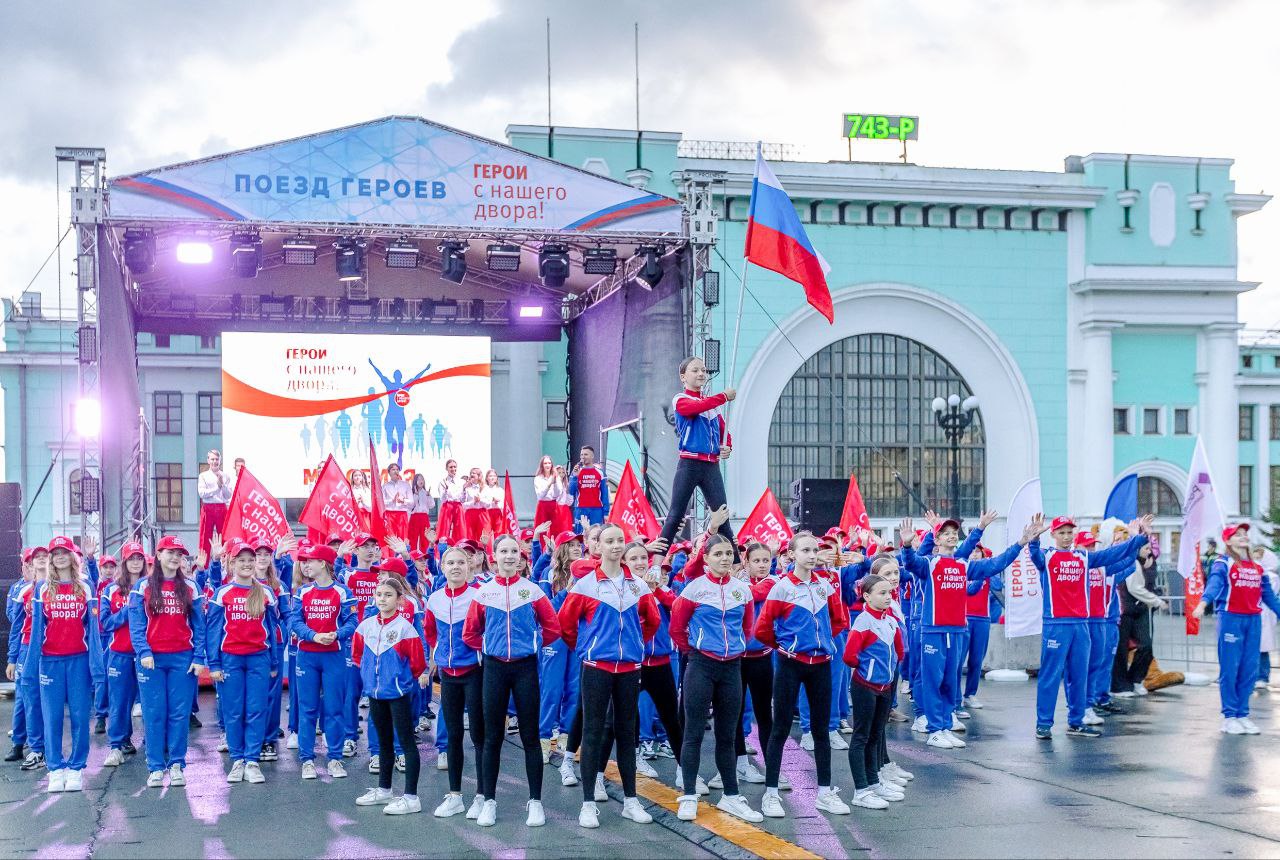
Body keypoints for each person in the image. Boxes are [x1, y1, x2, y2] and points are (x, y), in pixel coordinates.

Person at [558, 525, 661, 828]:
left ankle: (631, 800)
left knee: (627, 734)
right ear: (598, 547)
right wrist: (588, 647)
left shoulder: (638, 586)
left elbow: (652, 621)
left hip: (629, 670)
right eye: (609, 541)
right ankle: (588, 803)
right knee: (591, 733)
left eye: (620, 541)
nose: (616, 546)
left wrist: (633, 645)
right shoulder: (585, 586)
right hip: (596, 669)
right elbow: (566, 624)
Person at [462, 534, 562, 828]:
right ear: (494, 556)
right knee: (493, 737)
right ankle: (489, 802)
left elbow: (552, 627)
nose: (508, 556)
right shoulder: (483, 593)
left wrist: (532, 641)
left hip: (525, 669)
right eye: (503, 551)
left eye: (513, 552)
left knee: (531, 737)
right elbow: (470, 633)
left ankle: (535, 803)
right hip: (493, 669)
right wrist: (490, 645)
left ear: (520, 558)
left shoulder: (531, 591)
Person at [1027, 514, 1152, 739]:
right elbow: (1034, 556)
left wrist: (1139, 537)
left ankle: (1076, 721)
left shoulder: (1084, 557)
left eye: (1069, 532)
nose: (1066, 537)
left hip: (1081, 626)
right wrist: (1034, 540)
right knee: (1051, 675)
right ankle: (1043, 724)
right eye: (1061, 533)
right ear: (1053, 534)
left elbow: (1113, 554)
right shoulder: (1047, 557)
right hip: (1057, 625)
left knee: (1079, 674)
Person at [669, 533, 763, 824]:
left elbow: (747, 628)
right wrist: (696, 652)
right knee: (693, 733)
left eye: (728, 554)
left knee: (727, 733)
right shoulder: (693, 589)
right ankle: (688, 795)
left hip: (731, 668)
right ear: (706, 558)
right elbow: (677, 629)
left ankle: (731, 796)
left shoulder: (742, 590)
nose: (724, 559)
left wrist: (734, 649)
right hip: (700, 666)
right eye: (717, 554)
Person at [754, 532, 850, 818]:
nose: (812, 555)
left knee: (821, 730)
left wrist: (818, 644)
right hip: (790, 665)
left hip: (820, 664)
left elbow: (839, 621)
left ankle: (824, 792)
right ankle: (771, 794)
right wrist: (789, 647)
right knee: (780, 728)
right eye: (805, 550)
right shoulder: (781, 588)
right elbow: (762, 629)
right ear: (791, 555)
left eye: (815, 550)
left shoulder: (825, 586)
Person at [21, 537, 104, 793]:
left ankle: (76, 768)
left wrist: (97, 668)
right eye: (54, 553)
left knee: (80, 716)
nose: (58, 557)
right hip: (50, 662)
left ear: (71, 557)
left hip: (78, 660)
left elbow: (94, 632)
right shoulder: (43, 589)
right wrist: (29, 668)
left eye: (63, 552)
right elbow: (36, 632)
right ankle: (55, 769)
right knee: (52, 717)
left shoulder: (86, 587)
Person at [129, 535, 207, 788]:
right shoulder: (142, 587)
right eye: (170, 552)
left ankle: (176, 764)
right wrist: (144, 652)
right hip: (152, 659)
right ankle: (154, 766)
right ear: (159, 555)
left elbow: (200, 627)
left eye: (179, 554)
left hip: (182, 658)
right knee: (154, 713)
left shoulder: (192, 587)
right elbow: (136, 624)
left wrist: (198, 657)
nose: (175, 557)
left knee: (179, 714)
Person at [1192, 523, 1280, 734]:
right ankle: (1229, 716)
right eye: (1237, 535)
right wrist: (1203, 603)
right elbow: (1214, 584)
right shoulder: (1223, 562)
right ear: (1228, 541)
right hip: (1231, 618)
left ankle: (1243, 714)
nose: (1243, 537)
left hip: (1253, 620)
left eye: (1245, 534)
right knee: (1230, 669)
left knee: (1249, 670)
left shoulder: (1257, 567)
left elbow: (1268, 596)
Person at [353, 577, 430, 814]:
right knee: (384, 742)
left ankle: (411, 797)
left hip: (398, 694)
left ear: (399, 600)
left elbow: (417, 663)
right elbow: (357, 655)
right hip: (375, 695)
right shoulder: (365, 626)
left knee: (406, 742)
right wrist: (370, 678)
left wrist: (401, 679)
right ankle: (384, 790)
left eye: (388, 595)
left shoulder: (405, 628)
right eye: (379, 594)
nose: (383, 599)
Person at [208, 539, 281, 785]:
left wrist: (273, 663)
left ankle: (252, 760)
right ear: (232, 563)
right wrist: (215, 665)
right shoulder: (222, 593)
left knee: (256, 709)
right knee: (233, 710)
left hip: (259, 658)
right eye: (242, 560)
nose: (248, 564)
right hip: (231, 658)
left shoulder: (266, 592)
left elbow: (272, 629)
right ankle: (237, 759)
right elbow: (214, 631)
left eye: (251, 560)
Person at [423, 546, 485, 819]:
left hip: (475, 672)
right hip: (448, 676)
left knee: (479, 736)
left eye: (461, 562)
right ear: (443, 566)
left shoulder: (479, 596)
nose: (456, 567)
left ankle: (483, 795)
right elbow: (430, 632)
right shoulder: (434, 599)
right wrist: (438, 657)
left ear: (470, 566)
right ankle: (456, 795)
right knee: (454, 737)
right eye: (451, 562)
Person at [290, 543, 357, 780]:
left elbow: (352, 622)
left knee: (334, 709)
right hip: (307, 656)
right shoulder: (302, 592)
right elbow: (294, 621)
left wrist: (337, 635)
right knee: (307, 709)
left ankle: (335, 758)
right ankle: (307, 760)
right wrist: (314, 635)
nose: (305, 565)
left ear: (324, 563)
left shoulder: (343, 592)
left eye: (310, 561)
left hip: (334, 656)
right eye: (304, 561)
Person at [843, 568, 907, 810]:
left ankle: (874, 781)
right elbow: (849, 656)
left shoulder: (890, 621)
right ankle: (861, 790)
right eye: (882, 593)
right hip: (865, 687)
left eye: (890, 592)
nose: (888, 597)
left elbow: (900, 652)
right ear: (867, 596)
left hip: (885, 687)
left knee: (876, 734)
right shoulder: (863, 622)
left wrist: (887, 675)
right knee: (861, 736)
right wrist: (868, 669)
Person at [658, 357, 737, 552]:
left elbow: (723, 430)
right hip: (689, 464)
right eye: (695, 370)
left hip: (711, 466)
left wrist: (726, 446)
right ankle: (656, 563)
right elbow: (694, 408)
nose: (701, 373)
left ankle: (736, 566)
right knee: (675, 515)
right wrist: (723, 397)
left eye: (703, 370)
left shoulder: (711, 406)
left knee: (722, 515)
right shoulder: (681, 399)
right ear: (683, 377)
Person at [538, 535, 584, 778]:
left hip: (577, 636)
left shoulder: (587, 571)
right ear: (563, 549)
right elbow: (548, 608)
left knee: (575, 690)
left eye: (580, 545)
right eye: (572, 545)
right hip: (554, 637)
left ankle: (567, 740)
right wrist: (567, 590)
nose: (577, 548)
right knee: (551, 690)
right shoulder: (549, 572)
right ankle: (544, 739)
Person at [100, 543, 145, 767]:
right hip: (119, 654)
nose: (136, 562)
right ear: (124, 562)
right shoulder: (111, 590)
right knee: (119, 702)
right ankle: (117, 745)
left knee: (149, 702)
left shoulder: (151, 587)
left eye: (139, 558)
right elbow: (106, 623)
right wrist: (128, 610)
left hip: (147, 654)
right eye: (131, 558)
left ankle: (154, 743)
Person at [1112, 541, 1166, 697]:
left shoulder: (1149, 563)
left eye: (1150, 548)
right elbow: (1135, 587)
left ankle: (1135, 679)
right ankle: (1119, 685)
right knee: (1121, 650)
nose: (1149, 551)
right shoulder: (1131, 561)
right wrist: (1157, 601)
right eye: (1146, 548)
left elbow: (1148, 584)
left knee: (1146, 645)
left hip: (1141, 609)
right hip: (1125, 610)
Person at [5, 547, 42, 766]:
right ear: (26, 565)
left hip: (49, 650)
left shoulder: (54, 588)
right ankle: (19, 743)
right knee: (23, 698)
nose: (34, 565)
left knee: (43, 699)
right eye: (31, 561)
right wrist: (12, 658)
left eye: (40, 559)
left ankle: (40, 747)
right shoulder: (21, 590)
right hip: (26, 649)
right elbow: (15, 623)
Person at [197, 450, 233, 558]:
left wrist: (222, 485)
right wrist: (217, 488)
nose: (214, 462)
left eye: (217, 459)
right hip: (208, 507)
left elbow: (228, 496)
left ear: (220, 461)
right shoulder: (203, 476)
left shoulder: (225, 476)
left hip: (221, 507)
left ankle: (224, 562)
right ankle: (204, 565)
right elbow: (202, 494)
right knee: (205, 537)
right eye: (212, 459)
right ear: (208, 460)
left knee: (224, 537)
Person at [570, 447, 610, 528]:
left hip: (596, 510)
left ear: (592, 456)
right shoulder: (576, 471)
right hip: (580, 509)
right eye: (581, 454)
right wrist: (574, 477)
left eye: (586, 454)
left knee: (596, 533)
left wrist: (606, 512)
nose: (583, 457)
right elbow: (571, 491)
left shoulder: (600, 473)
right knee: (580, 534)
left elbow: (605, 494)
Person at [435, 460, 466, 545]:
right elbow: (443, 499)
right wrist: (446, 490)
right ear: (446, 468)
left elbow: (463, 499)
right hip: (447, 506)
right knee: (444, 529)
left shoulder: (462, 482)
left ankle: (460, 549)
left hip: (458, 506)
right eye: (451, 467)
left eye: (454, 467)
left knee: (460, 529)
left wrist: (464, 490)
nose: (453, 469)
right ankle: (440, 552)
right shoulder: (443, 482)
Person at [382, 462, 412, 540]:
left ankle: (402, 552)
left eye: (397, 469)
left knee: (402, 538)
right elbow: (381, 503)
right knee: (391, 538)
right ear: (389, 472)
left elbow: (412, 502)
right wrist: (392, 500)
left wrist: (403, 501)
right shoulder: (385, 486)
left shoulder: (406, 485)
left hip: (402, 514)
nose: (395, 471)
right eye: (393, 469)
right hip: (389, 514)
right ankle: (391, 553)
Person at [533, 456, 562, 530]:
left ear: (552, 465)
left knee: (555, 528)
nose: (547, 465)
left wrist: (555, 483)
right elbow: (540, 495)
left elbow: (558, 493)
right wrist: (549, 484)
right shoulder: (538, 478)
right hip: (542, 505)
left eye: (549, 463)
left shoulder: (556, 476)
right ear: (542, 465)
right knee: (542, 529)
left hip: (553, 504)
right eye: (545, 463)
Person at [407, 473, 434, 555]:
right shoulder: (411, 493)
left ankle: (425, 557)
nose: (421, 481)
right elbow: (410, 506)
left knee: (425, 539)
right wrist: (415, 495)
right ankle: (413, 556)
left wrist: (429, 496)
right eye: (419, 479)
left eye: (422, 479)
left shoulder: (426, 492)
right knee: (412, 539)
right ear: (415, 481)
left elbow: (432, 505)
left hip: (424, 517)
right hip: (414, 517)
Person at [462, 468, 489, 543]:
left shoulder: (485, 488)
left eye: (474, 473)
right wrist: (473, 502)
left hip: (482, 514)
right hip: (470, 514)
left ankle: (484, 552)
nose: (472, 474)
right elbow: (463, 504)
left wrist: (480, 500)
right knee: (470, 536)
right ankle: (471, 552)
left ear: (479, 475)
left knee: (483, 536)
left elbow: (488, 504)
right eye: (471, 473)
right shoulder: (467, 488)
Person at [481, 469, 505, 539]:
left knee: (499, 533)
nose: (492, 478)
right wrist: (491, 501)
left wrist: (497, 502)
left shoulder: (500, 490)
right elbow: (482, 502)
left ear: (496, 478)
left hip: (497, 513)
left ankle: (498, 549)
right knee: (486, 533)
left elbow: (502, 503)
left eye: (494, 476)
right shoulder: (484, 490)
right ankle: (486, 549)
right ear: (487, 478)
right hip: (487, 513)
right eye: (490, 476)